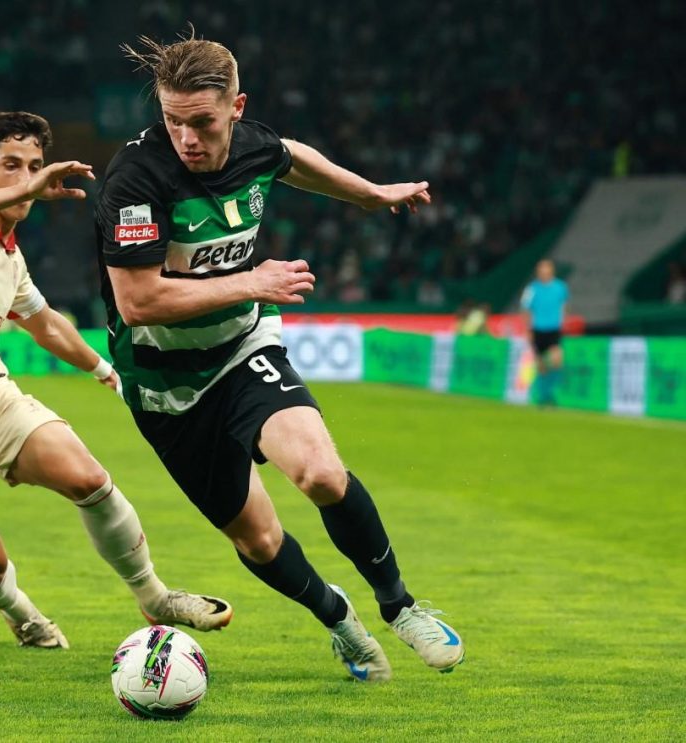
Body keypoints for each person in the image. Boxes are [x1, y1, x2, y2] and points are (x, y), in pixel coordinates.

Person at [94, 32, 464, 682]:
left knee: (321, 474)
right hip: (165, 387)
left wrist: (370, 194)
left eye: (202, 122)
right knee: (259, 539)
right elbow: (139, 301)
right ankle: (340, 620)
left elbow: (292, 156)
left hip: (241, 349)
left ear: (237, 108)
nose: (186, 138)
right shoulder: (136, 180)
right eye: (173, 121)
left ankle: (400, 607)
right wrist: (252, 282)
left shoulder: (253, 144)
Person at [0, 111, 231, 650]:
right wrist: (27, 188)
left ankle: (156, 597)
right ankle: (20, 612)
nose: (27, 177)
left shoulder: (11, 261)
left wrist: (105, 370)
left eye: (34, 166)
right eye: (10, 165)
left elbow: (46, 325)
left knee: (89, 480)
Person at [520, 259, 569, 406]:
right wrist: (528, 329)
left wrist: (563, 321)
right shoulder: (531, 289)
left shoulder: (560, 287)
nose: (544, 273)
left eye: (546, 270)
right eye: (541, 271)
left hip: (554, 328)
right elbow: (525, 309)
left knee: (557, 359)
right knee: (541, 364)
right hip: (537, 329)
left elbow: (564, 306)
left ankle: (552, 393)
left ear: (551, 271)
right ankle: (543, 396)